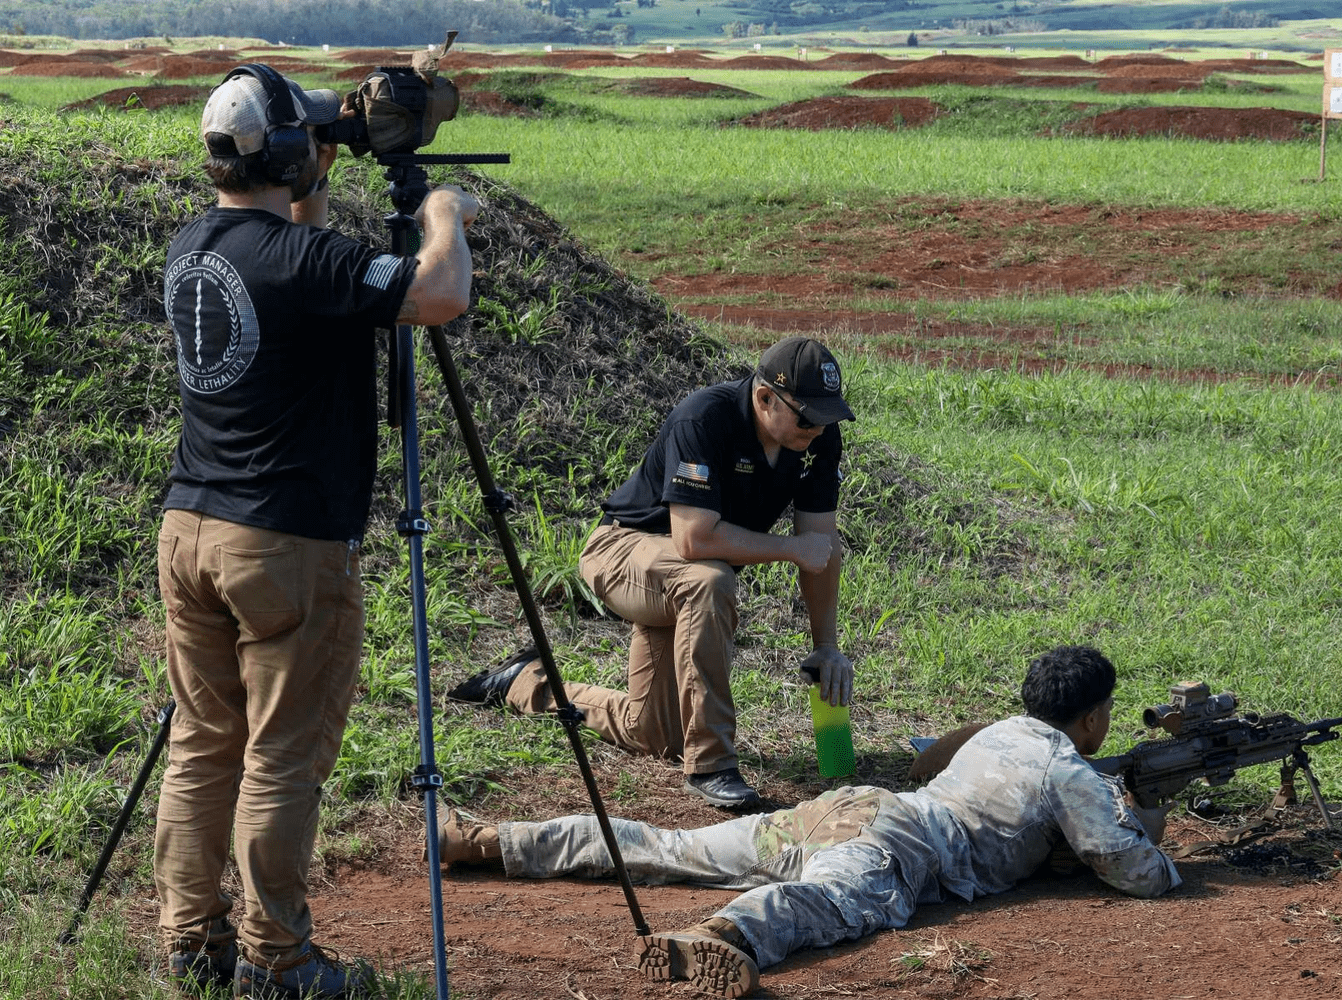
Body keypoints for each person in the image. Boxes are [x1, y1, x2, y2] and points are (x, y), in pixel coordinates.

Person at [155, 64, 480, 999]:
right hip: (286, 545)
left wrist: (315, 168)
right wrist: (443, 211)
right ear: (291, 153)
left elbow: (293, 253)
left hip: (191, 530)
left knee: (203, 743)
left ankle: (190, 941)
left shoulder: (196, 245)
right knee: (281, 757)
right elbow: (439, 293)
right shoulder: (307, 263)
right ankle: (277, 961)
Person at [433, 645, 1181, 998]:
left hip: (847, 807)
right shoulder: (1069, 770)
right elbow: (1132, 872)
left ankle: (492, 838)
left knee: (674, 847)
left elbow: (926, 766)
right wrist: (1153, 816)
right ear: (1091, 718)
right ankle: (720, 937)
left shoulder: (1002, 732)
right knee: (824, 902)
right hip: (896, 846)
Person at [449, 337, 856, 809]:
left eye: (828, 416)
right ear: (765, 398)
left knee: (653, 732)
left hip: (682, 577)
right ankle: (712, 763)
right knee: (710, 579)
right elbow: (693, 539)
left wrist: (826, 646)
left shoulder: (814, 441)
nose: (819, 428)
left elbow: (820, 548)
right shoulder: (705, 418)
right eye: (808, 415)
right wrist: (790, 549)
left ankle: (522, 682)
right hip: (621, 552)